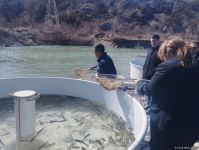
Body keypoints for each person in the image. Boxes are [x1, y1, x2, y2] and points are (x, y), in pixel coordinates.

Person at [137, 36, 199, 150]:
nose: (163, 59)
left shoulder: (166, 67)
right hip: (192, 125)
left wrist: (140, 85)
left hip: (167, 125)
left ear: (167, 51)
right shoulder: (196, 65)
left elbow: (150, 89)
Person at [142, 35, 162, 112]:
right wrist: (144, 71)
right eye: (151, 41)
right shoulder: (150, 49)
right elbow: (147, 61)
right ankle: (148, 104)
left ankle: (151, 107)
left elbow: (161, 65)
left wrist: (156, 74)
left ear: (158, 41)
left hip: (154, 75)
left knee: (153, 91)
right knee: (148, 91)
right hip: (146, 73)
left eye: (154, 41)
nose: (152, 43)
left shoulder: (160, 51)